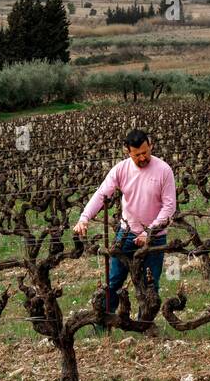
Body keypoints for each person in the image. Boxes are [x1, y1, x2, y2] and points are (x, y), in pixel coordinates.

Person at [75, 129, 177, 315]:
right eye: (137, 154)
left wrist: (150, 232)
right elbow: (101, 195)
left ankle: (144, 324)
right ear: (128, 152)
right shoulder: (121, 170)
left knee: (150, 283)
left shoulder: (164, 170)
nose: (143, 157)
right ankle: (105, 321)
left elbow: (169, 207)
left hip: (155, 237)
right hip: (126, 234)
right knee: (114, 280)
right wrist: (84, 218)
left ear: (151, 146)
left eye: (145, 152)